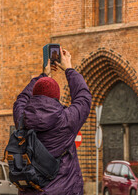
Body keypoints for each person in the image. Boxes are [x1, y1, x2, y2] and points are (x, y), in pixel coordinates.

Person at [13, 47, 92, 195]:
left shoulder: (22, 118)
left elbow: (21, 99)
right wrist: (69, 68)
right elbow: (83, 97)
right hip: (64, 190)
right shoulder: (67, 120)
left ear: (34, 95)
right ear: (56, 97)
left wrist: (43, 75)